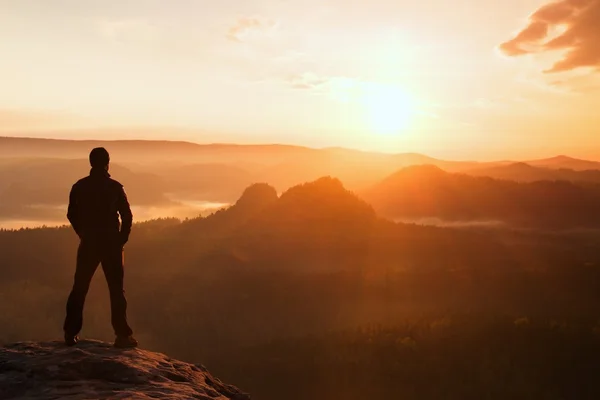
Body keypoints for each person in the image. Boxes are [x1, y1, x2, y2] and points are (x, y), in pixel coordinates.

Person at [63, 147, 138, 348]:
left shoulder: (79, 187)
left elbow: (71, 214)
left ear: (90, 163)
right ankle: (122, 336)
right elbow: (128, 215)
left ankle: (70, 333)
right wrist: (122, 239)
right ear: (107, 163)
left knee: (80, 287)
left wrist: (82, 233)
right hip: (112, 244)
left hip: (89, 243)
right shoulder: (115, 187)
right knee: (116, 290)